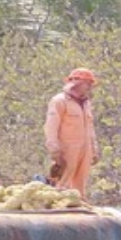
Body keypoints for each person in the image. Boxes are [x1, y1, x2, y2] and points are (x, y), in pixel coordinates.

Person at [44, 67, 100, 198]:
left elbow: (90, 127)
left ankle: (79, 203)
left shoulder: (86, 103)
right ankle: (60, 206)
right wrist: (54, 149)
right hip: (67, 149)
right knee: (63, 183)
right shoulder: (59, 101)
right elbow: (51, 126)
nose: (90, 88)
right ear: (78, 83)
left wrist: (94, 148)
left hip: (85, 149)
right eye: (88, 84)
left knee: (80, 184)